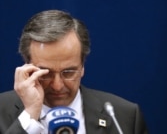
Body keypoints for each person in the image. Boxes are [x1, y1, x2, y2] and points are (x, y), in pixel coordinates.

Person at [0, 10, 148, 134]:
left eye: (68, 72)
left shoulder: (124, 116)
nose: (57, 86)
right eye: (46, 73)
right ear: (27, 68)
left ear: (82, 66)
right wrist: (30, 116)